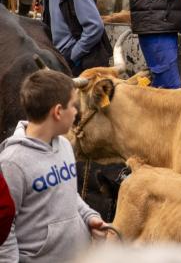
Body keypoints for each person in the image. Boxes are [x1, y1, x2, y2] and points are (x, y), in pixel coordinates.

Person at [0, 70, 109, 261]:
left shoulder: (65, 145)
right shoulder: (12, 162)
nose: (76, 112)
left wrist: (89, 216)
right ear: (58, 112)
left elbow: (68, 194)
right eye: (73, 106)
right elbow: (5, 228)